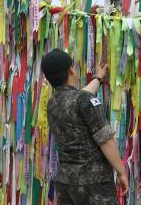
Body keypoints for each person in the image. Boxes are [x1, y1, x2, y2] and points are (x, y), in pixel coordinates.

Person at [42, 49, 128, 205]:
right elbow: (106, 140)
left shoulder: (52, 103)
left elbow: (78, 98)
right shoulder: (83, 100)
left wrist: (98, 78)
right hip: (93, 186)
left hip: (66, 184)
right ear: (71, 70)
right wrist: (121, 171)